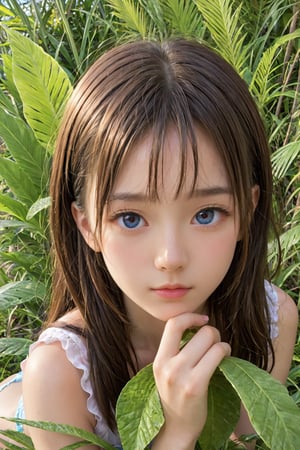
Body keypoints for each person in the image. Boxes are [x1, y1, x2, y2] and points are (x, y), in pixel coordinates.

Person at [0, 38, 298, 450]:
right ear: (86, 226)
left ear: (248, 211)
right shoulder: (58, 371)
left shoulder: (270, 320)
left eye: (206, 213)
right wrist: (175, 431)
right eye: (131, 218)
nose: (171, 258)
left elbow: (245, 442)